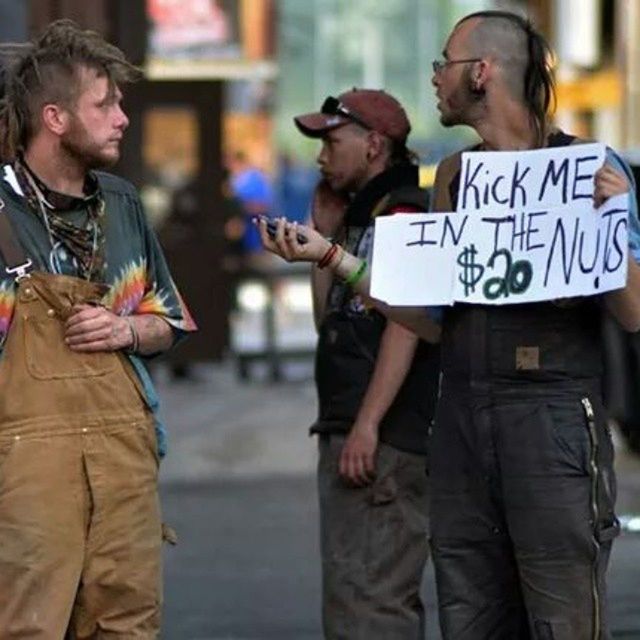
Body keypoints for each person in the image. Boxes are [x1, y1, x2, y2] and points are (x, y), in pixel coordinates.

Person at [258, 12, 640, 640]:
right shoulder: (457, 179)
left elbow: (632, 313)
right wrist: (330, 256)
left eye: (445, 63)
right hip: (461, 417)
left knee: (561, 612)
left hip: (551, 419)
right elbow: (426, 316)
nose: (435, 78)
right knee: (470, 612)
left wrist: (608, 221)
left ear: (482, 74)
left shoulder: (591, 169)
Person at [0, 20, 196, 638]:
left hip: (124, 471)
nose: (122, 118)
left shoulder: (123, 203)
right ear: (55, 118)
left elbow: (170, 320)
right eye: (104, 103)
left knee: (128, 625)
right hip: (28, 479)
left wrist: (127, 331)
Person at [290, 89, 440, 639]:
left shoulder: (404, 211)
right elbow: (328, 322)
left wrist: (369, 424)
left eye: (332, 141)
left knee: (374, 600)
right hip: (355, 426)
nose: (321, 157)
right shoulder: (360, 216)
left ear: (375, 144)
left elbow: (407, 320)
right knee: (352, 596)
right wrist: (325, 236)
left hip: (388, 438)